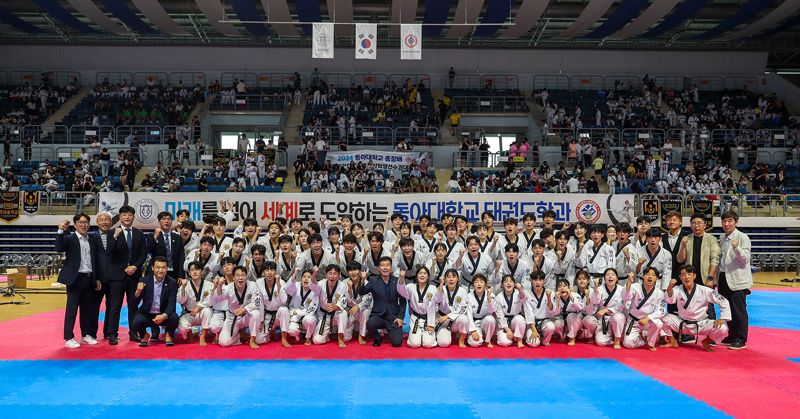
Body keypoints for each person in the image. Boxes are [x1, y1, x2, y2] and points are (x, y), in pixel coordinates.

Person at [56, 214, 101, 349]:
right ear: (75, 225)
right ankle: (68, 337)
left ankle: (86, 334)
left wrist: (97, 278)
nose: (84, 225)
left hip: (89, 278)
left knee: (87, 310)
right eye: (80, 222)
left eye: (86, 222)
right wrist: (60, 230)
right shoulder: (70, 238)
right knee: (72, 310)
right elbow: (59, 247)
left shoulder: (92, 239)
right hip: (75, 279)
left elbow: (95, 261)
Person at [661, 265, 731, 352]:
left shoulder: (704, 290)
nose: (686, 277)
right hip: (682, 323)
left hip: (701, 324)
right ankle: (672, 341)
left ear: (694, 276)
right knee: (662, 319)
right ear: (680, 277)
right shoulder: (677, 289)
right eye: (683, 274)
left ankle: (706, 341)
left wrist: (722, 318)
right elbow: (670, 300)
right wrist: (669, 287)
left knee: (723, 328)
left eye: (689, 274)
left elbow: (723, 301)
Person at [92, 211, 127, 345]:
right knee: (94, 307)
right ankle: (91, 333)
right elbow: (93, 260)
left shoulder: (119, 234)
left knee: (114, 307)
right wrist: (95, 277)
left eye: (107, 219)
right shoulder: (92, 237)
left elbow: (124, 254)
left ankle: (111, 333)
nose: (105, 222)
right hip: (99, 279)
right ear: (97, 223)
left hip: (116, 278)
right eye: (102, 220)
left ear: (111, 222)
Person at [718, 211, 752, 350]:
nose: (727, 224)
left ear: (736, 222)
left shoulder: (743, 237)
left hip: (738, 279)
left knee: (739, 310)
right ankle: (731, 335)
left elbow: (745, 259)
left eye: (730, 221)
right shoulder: (722, 237)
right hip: (723, 277)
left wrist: (736, 247)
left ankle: (740, 338)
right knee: (727, 309)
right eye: (724, 221)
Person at [677, 213, 720, 319]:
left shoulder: (711, 239)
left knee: (709, 307)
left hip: (706, 279)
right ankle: (689, 334)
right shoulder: (686, 239)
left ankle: (711, 334)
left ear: (705, 225)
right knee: (689, 307)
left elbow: (715, 260)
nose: (696, 225)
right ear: (690, 225)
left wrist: (710, 278)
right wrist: (682, 246)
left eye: (699, 223)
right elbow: (680, 259)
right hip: (690, 279)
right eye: (693, 223)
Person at [359, 256, 406, 347]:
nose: (385, 268)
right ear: (378, 268)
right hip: (378, 315)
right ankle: (377, 337)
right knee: (370, 323)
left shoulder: (397, 281)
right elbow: (362, 292)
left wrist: (400, 317)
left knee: (397, 343)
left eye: (388, 265)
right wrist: (362, 280)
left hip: (393, 317)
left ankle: (389, 331)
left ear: (391, 268)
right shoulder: (373, 280)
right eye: (382, 265)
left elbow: (403, 301)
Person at [210, 265, 262, 349]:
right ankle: (238, 336)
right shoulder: (228, 288)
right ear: (233, 278)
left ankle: (252, 340)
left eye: (243, 275)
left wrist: (244, 309)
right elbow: (219, 298)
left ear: (246, 276)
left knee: (256, 313)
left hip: (246, 316)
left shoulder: (253, 285)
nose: (240, 278)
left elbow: (257, 302)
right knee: (223, 342)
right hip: (232, 317)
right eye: (237, 275)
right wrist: (219, 286)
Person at [116, 205, 148, 342]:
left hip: (134, 276)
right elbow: (110, 254)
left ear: (133, 217)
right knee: (114, 306)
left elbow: (143, 254)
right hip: (117, 276)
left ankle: (133, 332)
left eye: (130, 215)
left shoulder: (139, 234)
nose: (127, 217)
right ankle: (111, 332)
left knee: (133, 305)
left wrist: (135, 266)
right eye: (124, 215)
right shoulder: (114, 232)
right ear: (120, 217)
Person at [133, 257, 179, 347]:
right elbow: (134, 303)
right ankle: (144, 335)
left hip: (163, 313)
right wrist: (138, 292)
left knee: (174, 318)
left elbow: (171, 304)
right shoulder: (144, 281)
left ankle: (168, 334)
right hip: (147, 314)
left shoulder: (172, 282)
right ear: (152, 268)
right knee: (136, 322)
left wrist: (164, 315)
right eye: (158, 267)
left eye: (163, 267)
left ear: (167, 268)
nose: (160, 270)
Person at [622, 266, 665, 350]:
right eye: (647, 274)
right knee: (627, 344)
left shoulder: (659, 293)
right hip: (634, 320)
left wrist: (648, 318)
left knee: (658, 323)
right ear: (643, 276)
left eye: (653, 275)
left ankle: (650, 343)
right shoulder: (635, 287)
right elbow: (625, 297)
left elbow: (661, 311)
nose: (650, 277)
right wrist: (629, 282)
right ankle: (642, 341)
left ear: (656, 278)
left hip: (648, 321)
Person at [583, 268, 626, 349]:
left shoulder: (621, 289)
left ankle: (617, 339)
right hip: (603, 319)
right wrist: (595, 288)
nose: (610, 276)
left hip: (616, 316)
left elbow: (622, 305)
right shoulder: (599, 289)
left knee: (618, 317)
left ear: (617, 278)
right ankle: (610, 337)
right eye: (607, 275)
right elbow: (595, 302)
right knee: (601, 342)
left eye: (613, 275)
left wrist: (606, 310)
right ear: (604, 278)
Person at [397, 266, 437, 348]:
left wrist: (431, 324)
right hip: (415, 318)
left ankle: (426, 334)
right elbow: (401, 291)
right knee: (414, 344)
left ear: (428, 276)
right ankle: (419, 334)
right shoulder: (411, 287)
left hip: (429, 318)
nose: (422, 275)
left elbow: (433, 307)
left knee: (428, 344)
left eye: (425, 273)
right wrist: (402, 277)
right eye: (420, 273)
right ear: (416, 276)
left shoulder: (433, 288)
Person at [310, 264, 349, 347]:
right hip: (324, 315)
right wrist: (314, 273)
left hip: (336, 314)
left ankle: (341, 338)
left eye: (335, 273)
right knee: (317, 340)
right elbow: (313, 285)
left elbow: (344, 299)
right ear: (326, 274)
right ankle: (326, 336)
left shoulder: (342, 285)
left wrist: (335, 306)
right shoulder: (321, 284)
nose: (332, 276)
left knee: (343, 313)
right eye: (330, 273)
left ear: (339, 275)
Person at [254, 261, 291, 347]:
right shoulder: (259, 283)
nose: (269, 273)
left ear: (276, 272)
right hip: (267, 315)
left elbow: (284, 302)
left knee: (284, 309)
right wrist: (261, 320)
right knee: (259, 340)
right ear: (263, 272)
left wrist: (278, 287)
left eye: (272, 270)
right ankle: (270, 334)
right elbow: (260, 303)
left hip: (279, 315)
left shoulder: (281, 282)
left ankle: (284, 338)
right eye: (267, 270)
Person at [176, 262, 214, 346]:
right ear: (189, 273)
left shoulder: (209, 284)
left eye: (197, 269)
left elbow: (212, 300)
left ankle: (203, 336)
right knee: (182, 328)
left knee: (207, 311)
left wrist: (200, 306)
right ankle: (190, 332)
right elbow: (181, 301)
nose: (194, 272)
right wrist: (182, 288)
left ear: (202, 271)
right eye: (192, 270)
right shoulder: (185, 285)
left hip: (202, 313)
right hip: (188, 314)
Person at [434, 269, 471, 348]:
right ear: (445, 279)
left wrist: (447, 316)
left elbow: (462, 310)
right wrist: (440, 285)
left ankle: (461, 339)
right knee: (444, 344)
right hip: (442, 322)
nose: (451, 279)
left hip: (455, 321)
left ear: (457, 279)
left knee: (464, 318)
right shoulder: (441, 289)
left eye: (454, 277)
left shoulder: (462, 291)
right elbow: (436, 301)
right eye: (448, 277)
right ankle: (444, 334)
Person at [148, 211, 185, 282]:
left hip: (174, 272)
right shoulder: (152, 235)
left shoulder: (177, 237)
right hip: (158, 271)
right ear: (159, 221)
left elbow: (181, 256)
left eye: (169, 219)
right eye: (164, 219)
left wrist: (181, 275)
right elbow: (149, 250)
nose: (166, 221)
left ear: (172, 221)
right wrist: (155, 237)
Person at [285, 269, 319, 345]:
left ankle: (308, 337)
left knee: (309, 320)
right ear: (301, 279)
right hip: (296, 316)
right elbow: (287, 288)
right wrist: (295, 273)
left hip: (308, 315)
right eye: (304, 277)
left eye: (309, 277)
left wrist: (297, 312)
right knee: (291, 330)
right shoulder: (297, 285)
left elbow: (312, 309)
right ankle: (298, 334)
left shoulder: (315, 290)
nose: (306, 279)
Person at [523, 271, 556, 347]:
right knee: (534, 344)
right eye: (535, 280)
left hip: (545, 321)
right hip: (532, 323)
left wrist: (548, 297)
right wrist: (534, 330)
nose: (538, 282)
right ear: (531, 281)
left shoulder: (550, 292)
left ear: (544, 281)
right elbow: (529, 313)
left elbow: (551, 311)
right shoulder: (526, 293)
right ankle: (532, 335)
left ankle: (545, 341)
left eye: (540, 280)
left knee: (551, 326)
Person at [343, 262, 372, 345]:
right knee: (346, 339)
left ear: (359, 271)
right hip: (350, 310)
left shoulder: (366, 283)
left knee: (365, 312)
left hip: (362, 309)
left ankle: (361, 335)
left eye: (355, 270)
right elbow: (346, 300)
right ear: (347, 272)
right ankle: (354, 328)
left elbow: (368, 300)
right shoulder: (344, 283)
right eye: (350, 270)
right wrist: (349, 288)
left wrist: (358, 306)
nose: (353, 272)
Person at [494, 274, 527, 348]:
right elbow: (500, 316)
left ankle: (519, 340)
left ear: (514, 284)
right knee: (505, 343)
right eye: (506, 282)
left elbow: (524, 298)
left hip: (515, 321)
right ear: (502, 285)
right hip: (504, 323)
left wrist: (520, 289)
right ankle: (512, 335)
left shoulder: (518, 292)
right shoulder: (498, 297)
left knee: (520, 318)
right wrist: (507, 330)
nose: (508, 283)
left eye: (511, 281)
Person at [551, 278, 584, 346]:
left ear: (569, 288)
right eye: (559, 286)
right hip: (563, 320)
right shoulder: (555, 297)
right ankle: (562, 336)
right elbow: (555, 313)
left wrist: (570, 296)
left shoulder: (575, 295)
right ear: (557, 289)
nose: (562, 288)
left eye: (564, 286)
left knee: (571, 316)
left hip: (576, 320)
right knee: (556, 322)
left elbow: (580, 308)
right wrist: (558, 300)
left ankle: (572, 338)